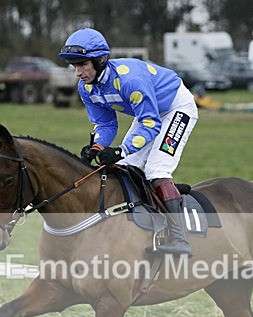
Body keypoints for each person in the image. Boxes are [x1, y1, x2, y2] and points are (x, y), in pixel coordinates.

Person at [59, 27, 197, 255]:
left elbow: (150, 123)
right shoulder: (86, 88)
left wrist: (122, 149)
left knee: (156, 169)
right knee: (122, 168)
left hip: (176, 108)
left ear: (100, 60)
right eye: (74, 66)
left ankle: (179, 237)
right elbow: (106, 125)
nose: (78, 72)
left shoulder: (129, 80)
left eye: (82, 64)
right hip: (148, 114)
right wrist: (97, 147)